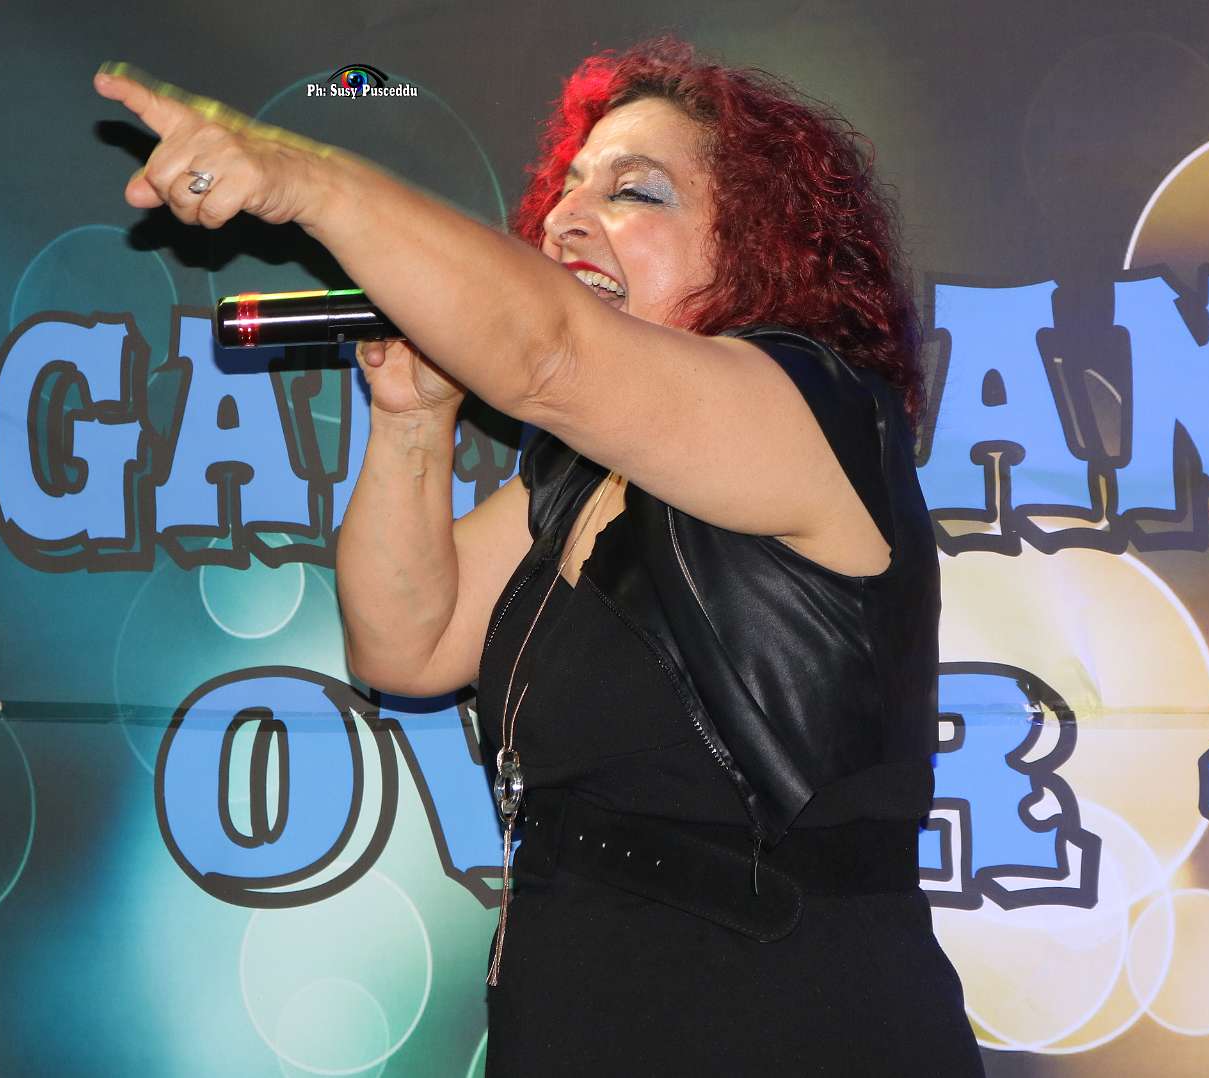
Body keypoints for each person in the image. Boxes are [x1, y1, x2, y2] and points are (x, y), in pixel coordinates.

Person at [96, 34, 982, 1076]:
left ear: (757, 243)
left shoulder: (813, 410)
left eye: (634, 192)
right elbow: (405, 644)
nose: (568, 218)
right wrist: (413, 418)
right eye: (568, 190)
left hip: (791, 1029)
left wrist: (300, 178)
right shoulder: (575, 480)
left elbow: (547, 351)